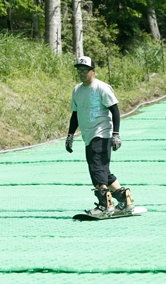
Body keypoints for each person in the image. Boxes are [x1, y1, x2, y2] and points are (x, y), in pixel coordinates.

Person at [65, 56, 134, 217]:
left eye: (85, 70)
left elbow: (115, 111)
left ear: (93, 71)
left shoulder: (102, 88)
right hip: (88, 135)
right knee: (103, 170)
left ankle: (105, 206)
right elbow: (75, 115)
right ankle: (125, 199)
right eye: (79, 70)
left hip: (102, 133)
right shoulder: (77, 90)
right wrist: (70, 135)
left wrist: (116, 134)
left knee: (96, 169)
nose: (82, 73)